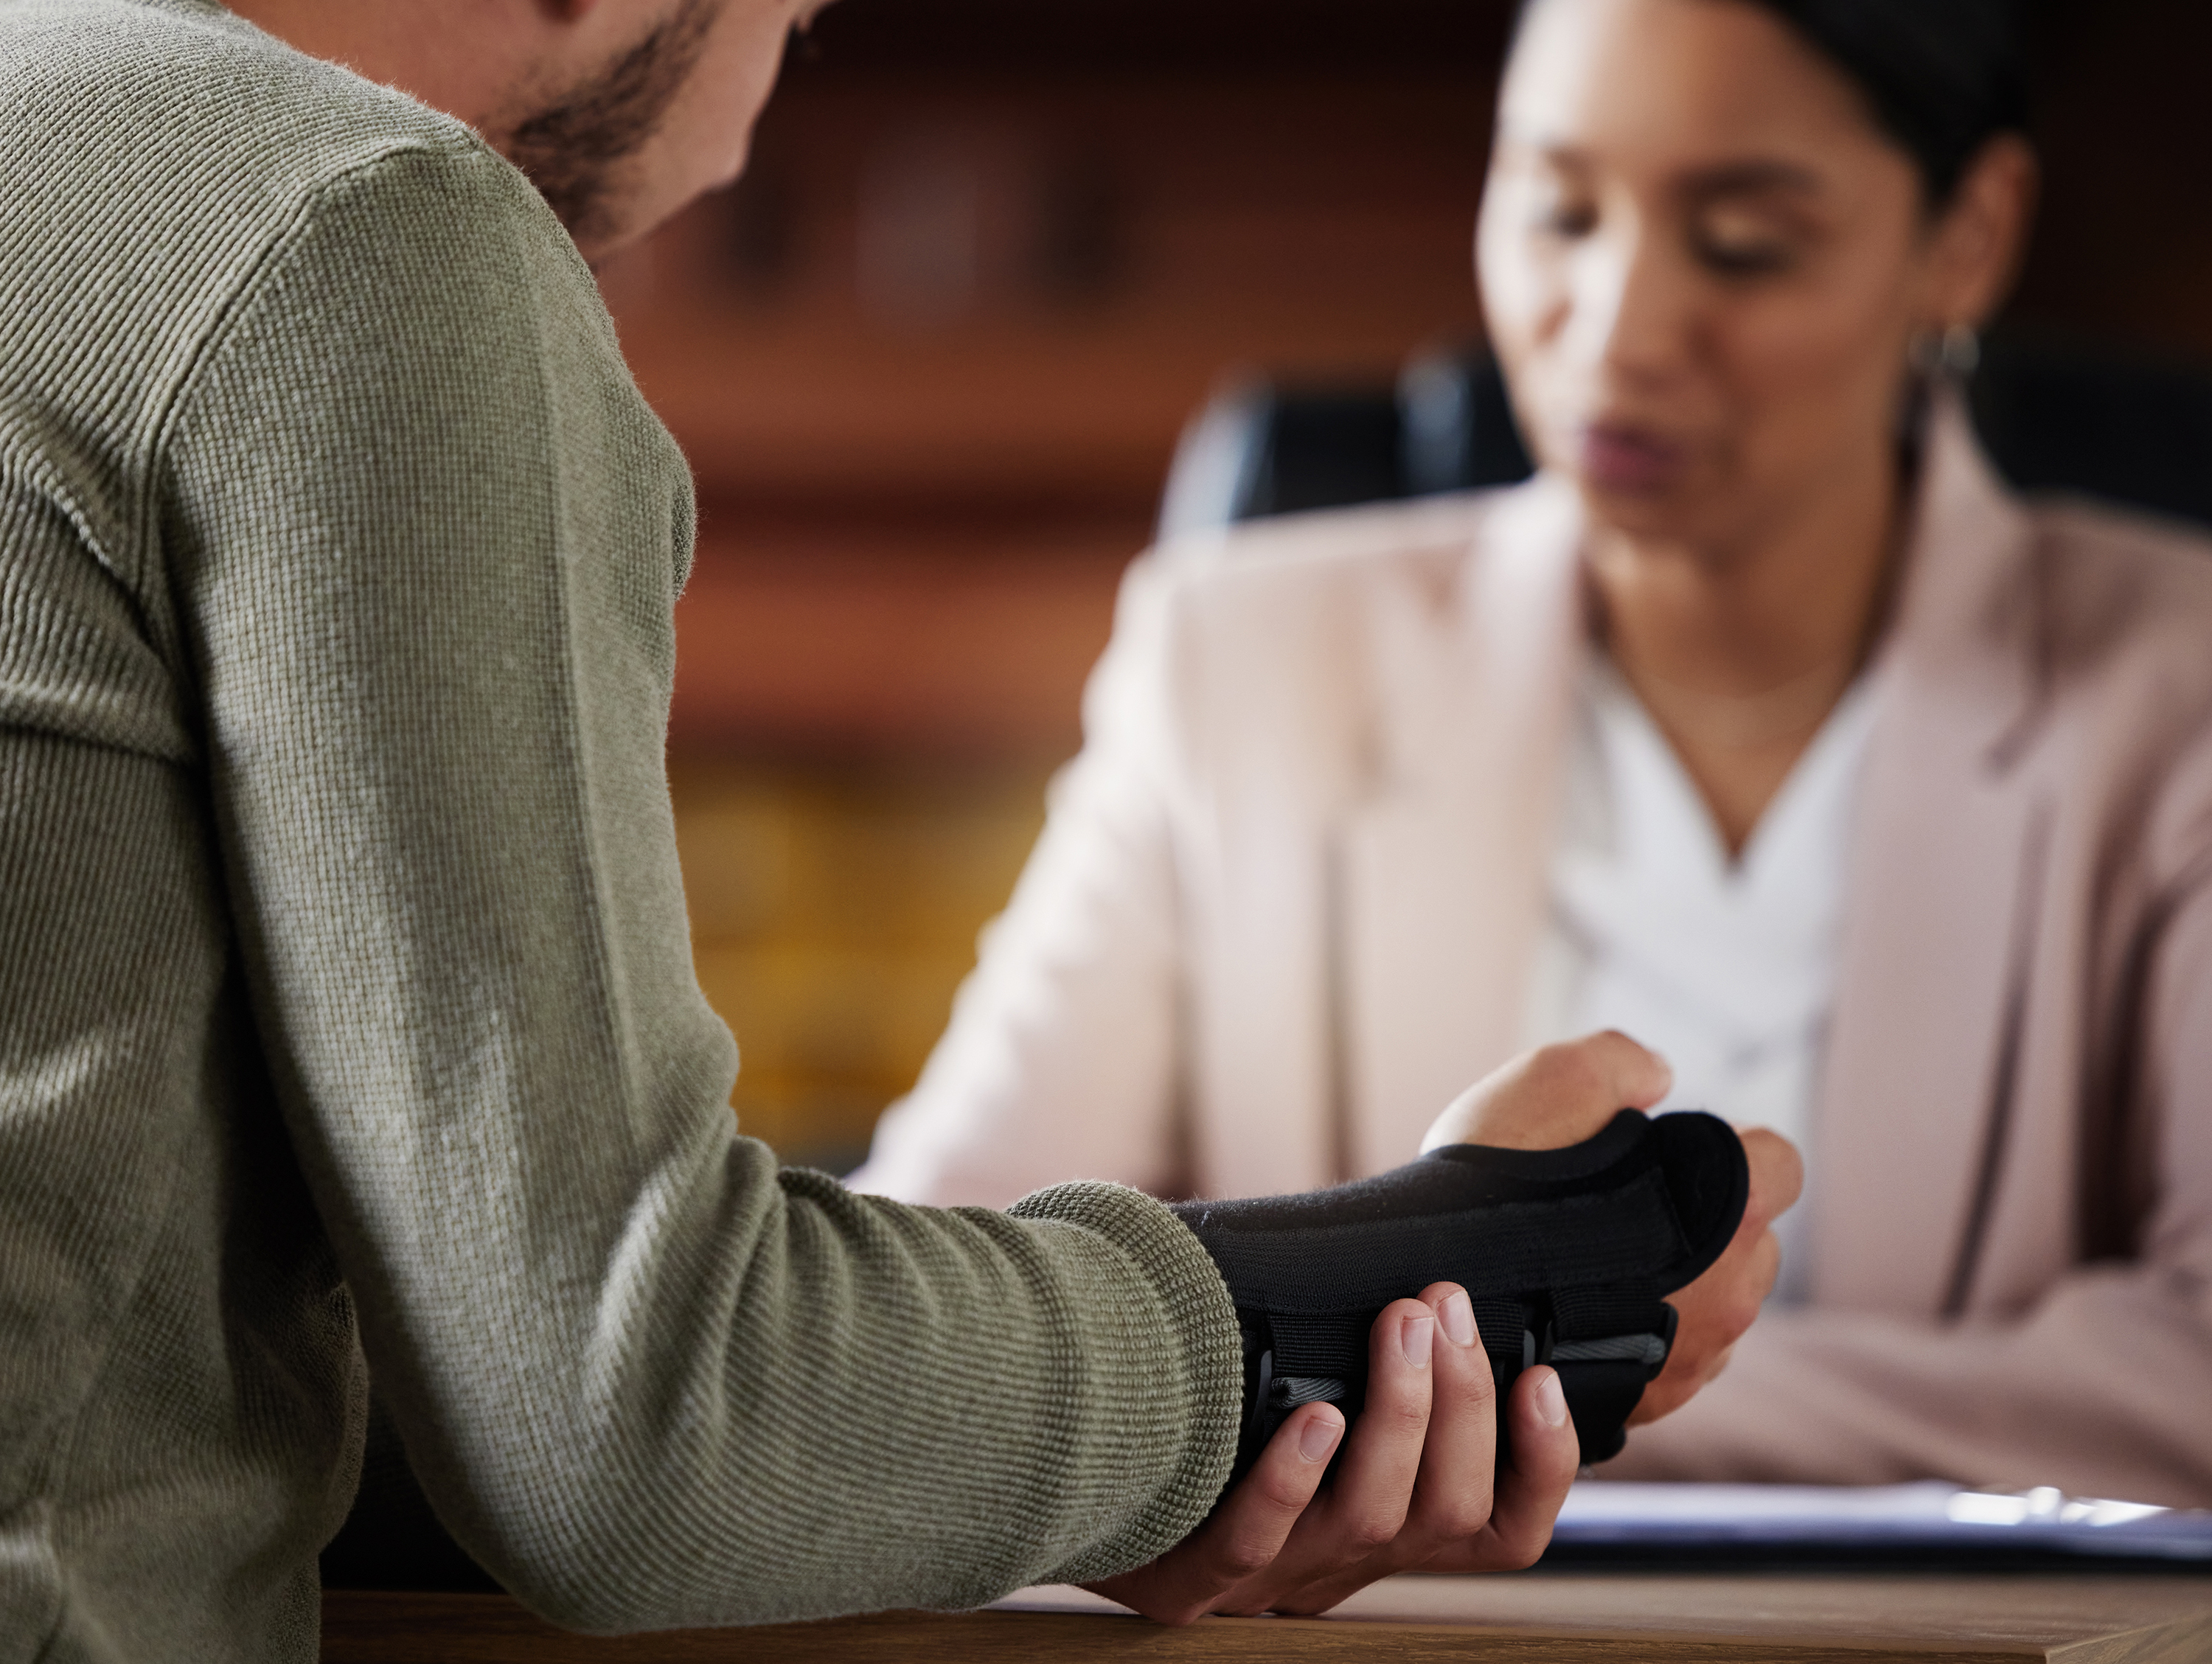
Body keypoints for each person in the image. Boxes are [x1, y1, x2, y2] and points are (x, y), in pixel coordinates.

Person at [0, 0, 1797, 1657]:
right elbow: (637, 1414)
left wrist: (1019, 1466)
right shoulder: (366, 229)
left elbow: (216, 1381)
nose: (790, 41)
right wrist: (1500, 1262)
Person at [854, 0, 2212, 1509]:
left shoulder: (2178, 690)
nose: (1617, 326)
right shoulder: (1236, 662)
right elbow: (922, 1314)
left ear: (1969, 234)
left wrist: (1467, 1373)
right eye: (1558, 210)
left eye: (1746, 242)